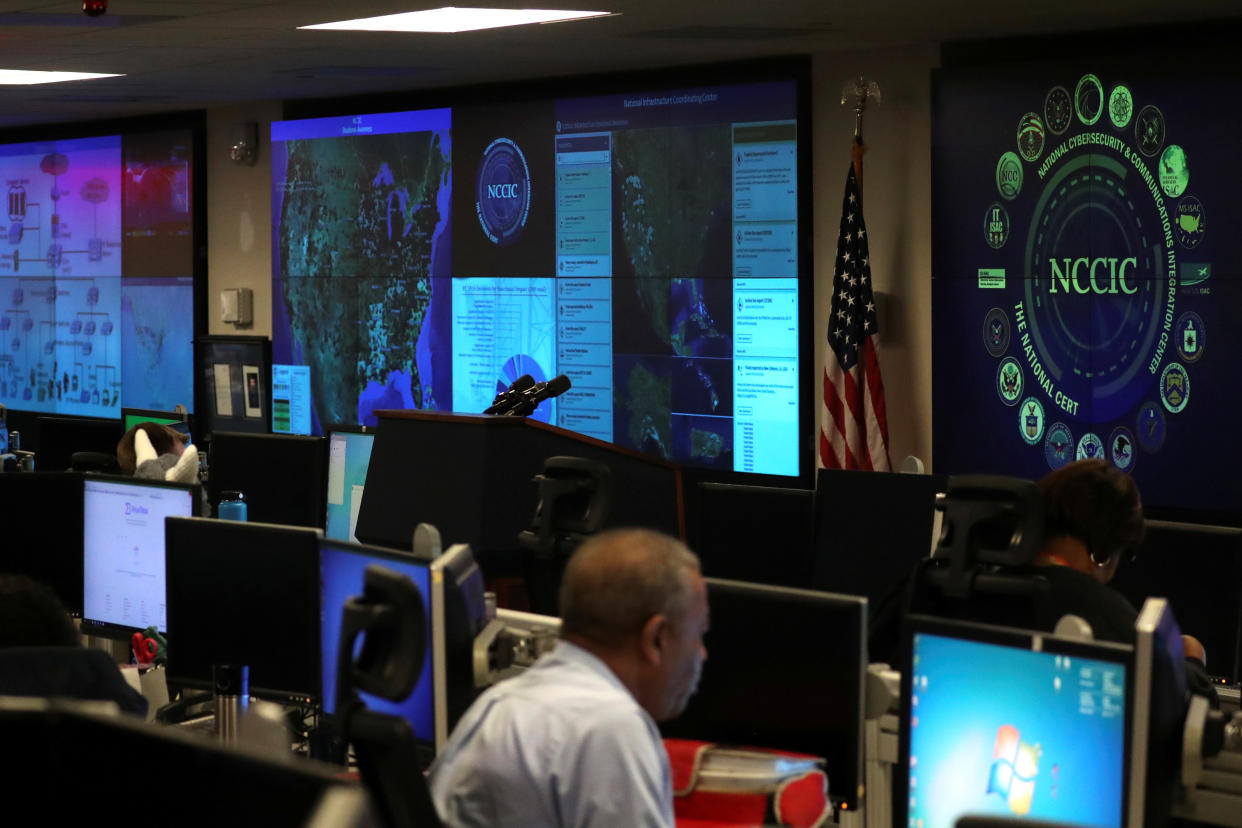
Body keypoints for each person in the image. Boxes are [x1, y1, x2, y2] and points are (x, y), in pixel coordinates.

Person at [429, 528, 709, 827]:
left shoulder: (498, 703)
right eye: (698, 635)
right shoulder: (610, 727)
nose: (702, 654)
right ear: (657, 638)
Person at [1034, 458, 1209, 670]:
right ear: (1103, 553)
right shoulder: (1102, 613)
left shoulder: (990, 585)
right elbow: (1175, 693)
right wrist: (1193, 658)